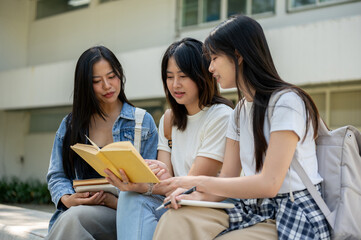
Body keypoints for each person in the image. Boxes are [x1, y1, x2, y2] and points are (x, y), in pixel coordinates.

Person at [153, 15, 331, 240]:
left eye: (215, 58)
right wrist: (190, 198)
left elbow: (270, 184)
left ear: (238, 56)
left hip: (294, 212)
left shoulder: (287, 102)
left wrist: (195, 182)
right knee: (175, 218)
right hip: (253, 209)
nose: (210, 68)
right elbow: (227, 178)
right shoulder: (239, 111)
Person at [104, 38, 234, 240]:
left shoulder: (221, 116)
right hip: (177, 201)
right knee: (130, 198)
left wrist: (139, 185)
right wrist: (142, 180)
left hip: (206, 207)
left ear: (201, 75)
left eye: (183, 76)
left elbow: (191, 183)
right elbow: (164, 181)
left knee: (138, 196)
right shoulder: (168, 120)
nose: (175, 85)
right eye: (169, 76)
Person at [46, 46, 158, 240]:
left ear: (120, 74)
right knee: (72, 217)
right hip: (81, 212)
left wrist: (109, 201)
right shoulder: (71, 125)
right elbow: (57, 175)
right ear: (85, 86)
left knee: (73, 219)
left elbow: (151, 187)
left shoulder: (142, 122)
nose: (107, 85)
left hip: (125, 215)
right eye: (97, 81)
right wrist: (68, 199)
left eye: (112, 76)